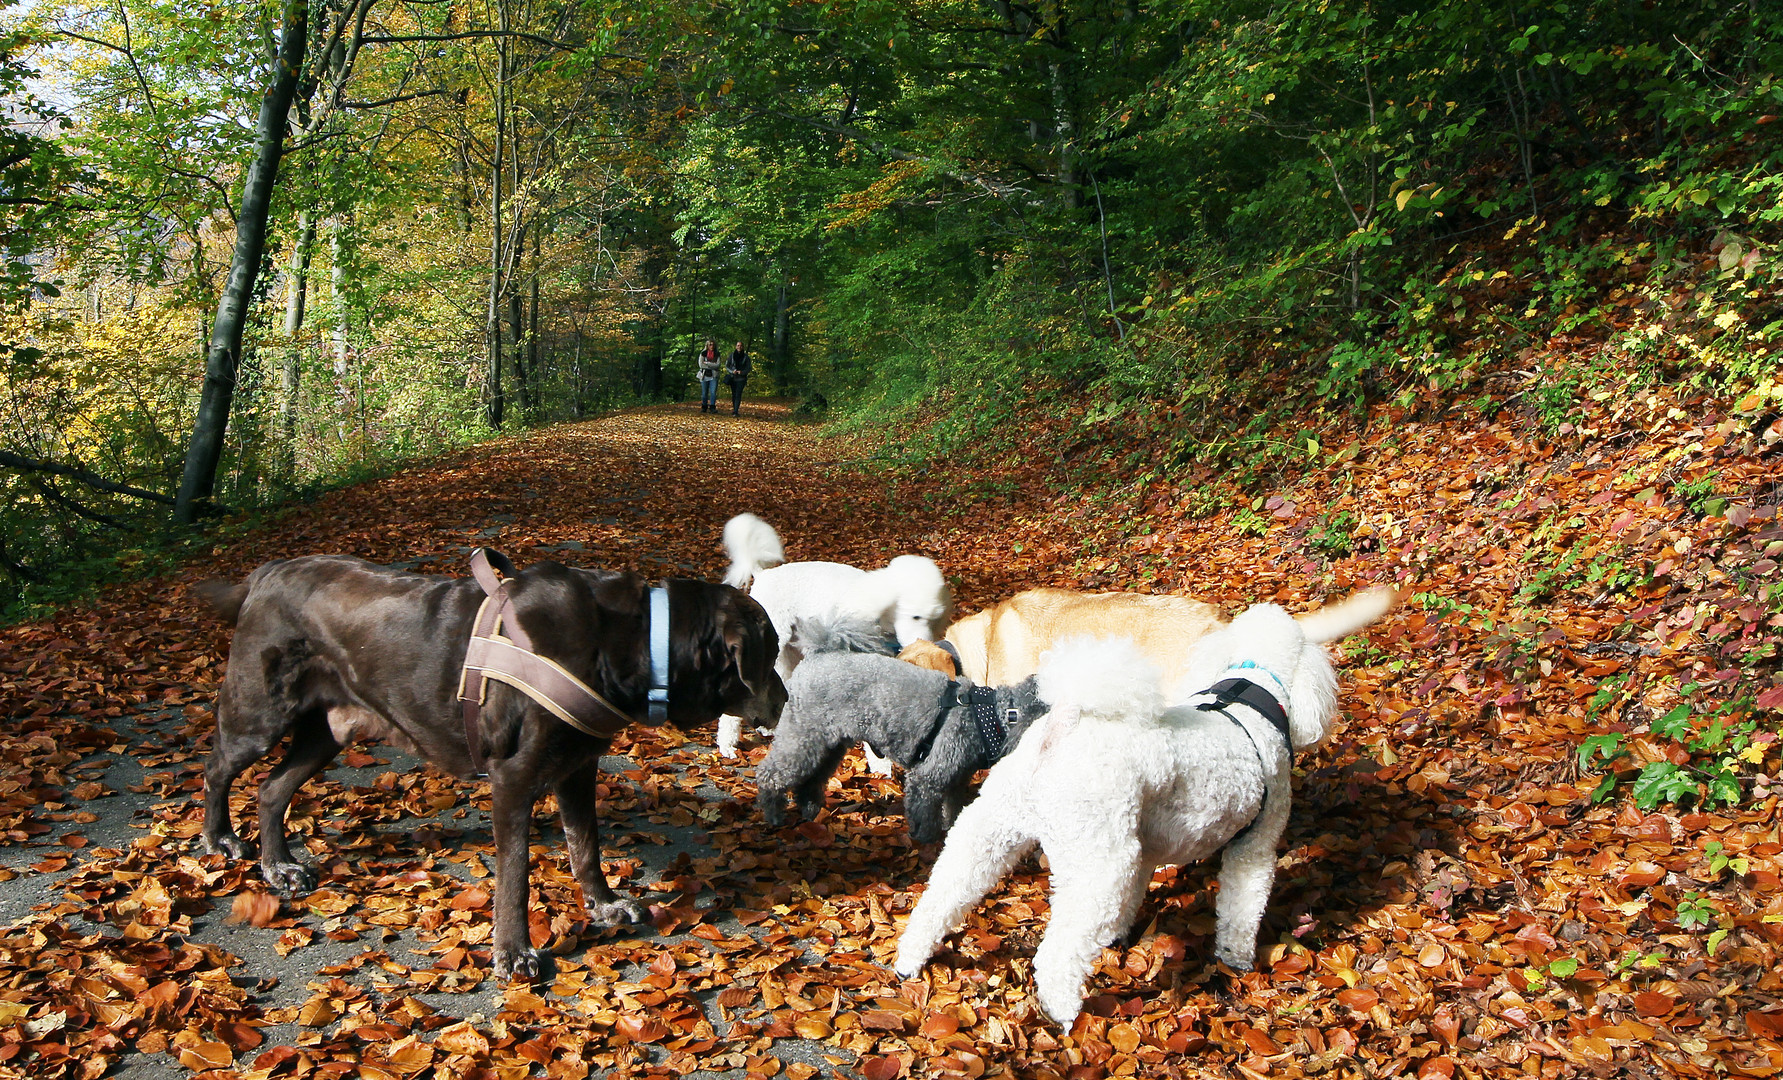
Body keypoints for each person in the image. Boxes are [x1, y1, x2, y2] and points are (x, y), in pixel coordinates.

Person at [725, 341, 751, 416]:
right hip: (733, 378)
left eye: (741, 345)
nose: (739, 347)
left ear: (743, 347)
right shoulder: (732, 356)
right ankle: (734, 409)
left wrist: (742, 372)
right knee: (734, 394)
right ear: (736, 346)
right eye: (738, 345)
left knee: (738, 394)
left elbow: (748, 368)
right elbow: (727, 365)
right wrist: (732, 371)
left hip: (741, 379)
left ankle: (736, 410)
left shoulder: (746, 357)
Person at [696, 338, 721, 412]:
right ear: (707, 345)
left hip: (713, 376)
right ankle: (704, 406)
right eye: (710, 344)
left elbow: (718, 365)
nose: (711, 346)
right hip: (704, 375)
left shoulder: (717, 354)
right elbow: (701, 365)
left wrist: (707, 363)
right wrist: (712, 365)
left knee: (713, 392)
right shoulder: (703, 353)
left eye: (713, 345)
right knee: (704, 393)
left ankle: (712, 407)